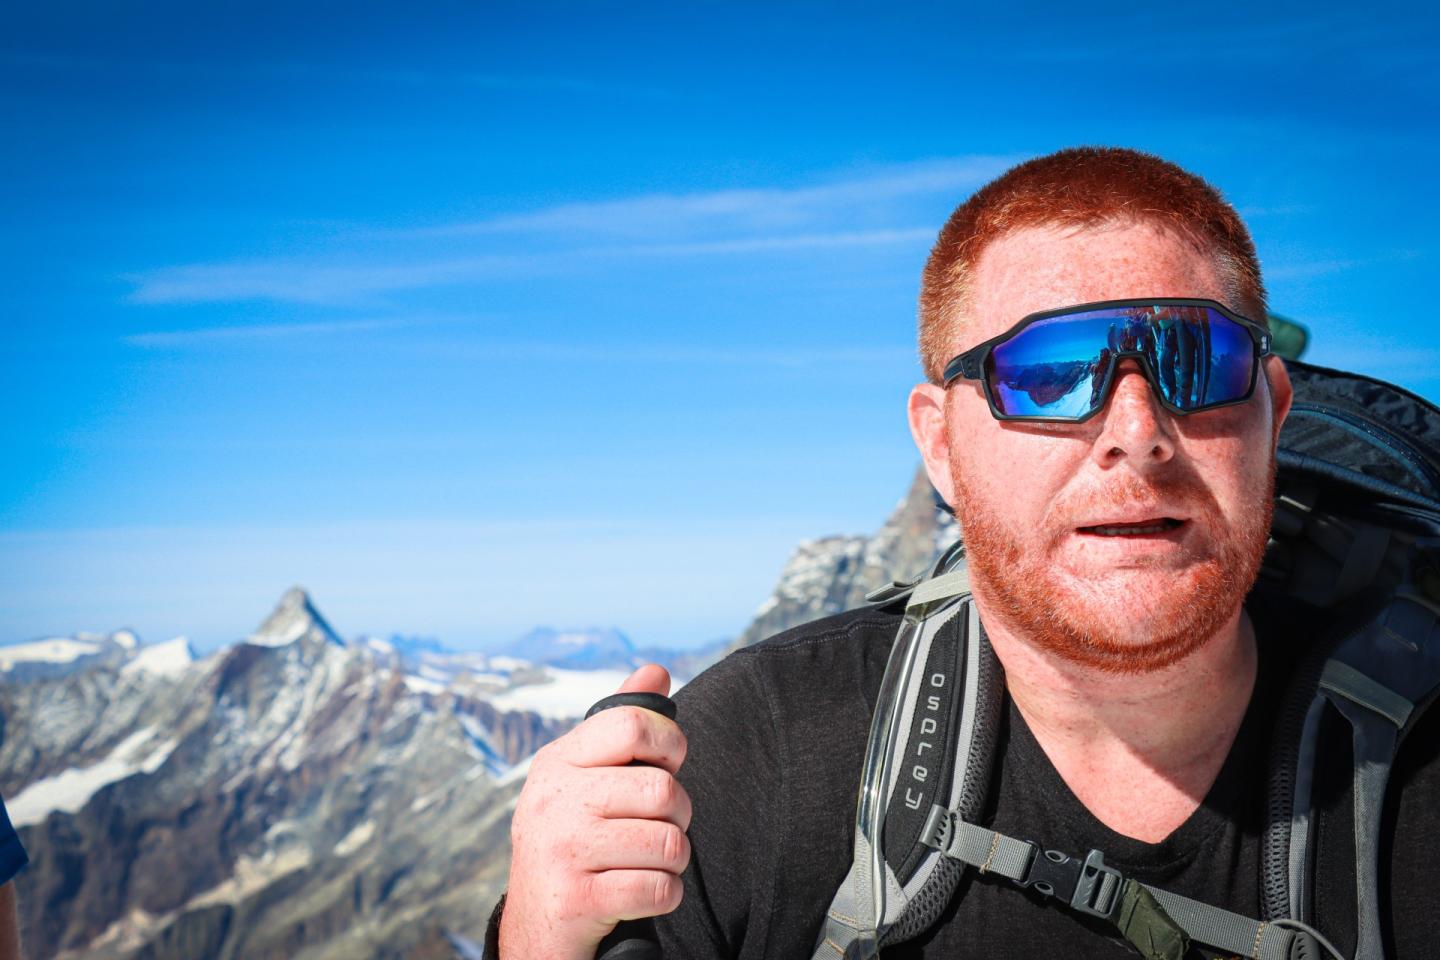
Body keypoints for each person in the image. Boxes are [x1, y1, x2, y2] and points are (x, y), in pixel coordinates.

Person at [495, 148, 1440, 958]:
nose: (1138, 431)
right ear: (940, 442)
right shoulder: (763, 756)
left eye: (1198, 363)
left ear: (1273, 410)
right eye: (1048, 374)